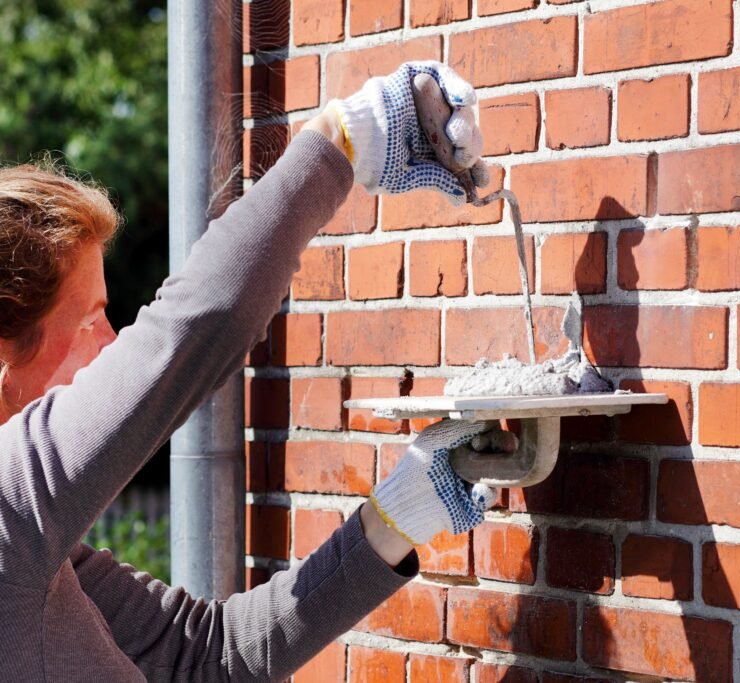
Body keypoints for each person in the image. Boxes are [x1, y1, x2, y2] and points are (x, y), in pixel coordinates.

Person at [0, 61, 503, 681]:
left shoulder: (42, 562)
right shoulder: (8, 514)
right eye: (87, 322)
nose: (110, 343)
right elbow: (193, 331)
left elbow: (208, 656)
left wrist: (396, 517)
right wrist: (347, 136)